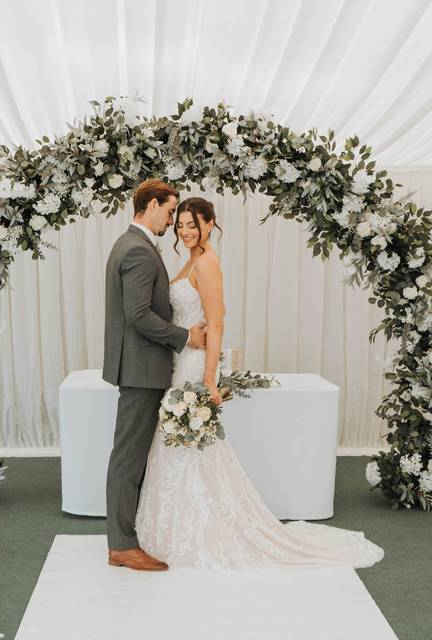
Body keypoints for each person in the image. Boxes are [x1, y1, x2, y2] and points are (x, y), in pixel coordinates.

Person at [135, 196, 384, 569]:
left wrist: (209, 378)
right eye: (180, 224)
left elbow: (217, 322)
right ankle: (176, 524)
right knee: (183, 443)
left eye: (192, 224)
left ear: (210, 223)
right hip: (181, 359)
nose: (185, 231)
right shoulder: (190, 260)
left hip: (196, 365)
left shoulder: (207, 264)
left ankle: (203, 529)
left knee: (193, 443)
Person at [102, 179, 207, 571]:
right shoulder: (138, 251)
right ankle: (122, 546)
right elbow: (139, 315)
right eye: (169, 209)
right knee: (128, 458)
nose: (173, 218)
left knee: (130, 455)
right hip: (142, 368)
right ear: (149, 206)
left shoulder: (130, 244)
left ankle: (125, 538)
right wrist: (185, 338)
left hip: (140, 366)